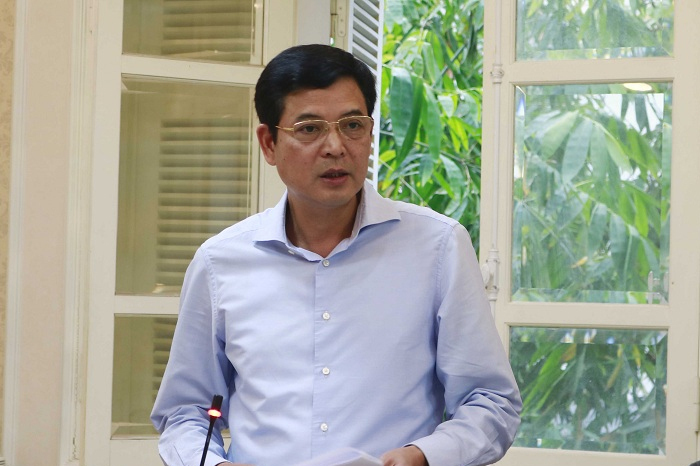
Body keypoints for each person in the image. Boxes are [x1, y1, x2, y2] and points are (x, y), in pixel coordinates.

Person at [151, 43, 521, 466]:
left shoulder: (437, 247)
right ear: (269, 143)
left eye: (352, 125)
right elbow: (186, 411)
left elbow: (491, 401)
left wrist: (423, 455)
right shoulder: (220, 263)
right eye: (309, 129)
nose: (335, 146)